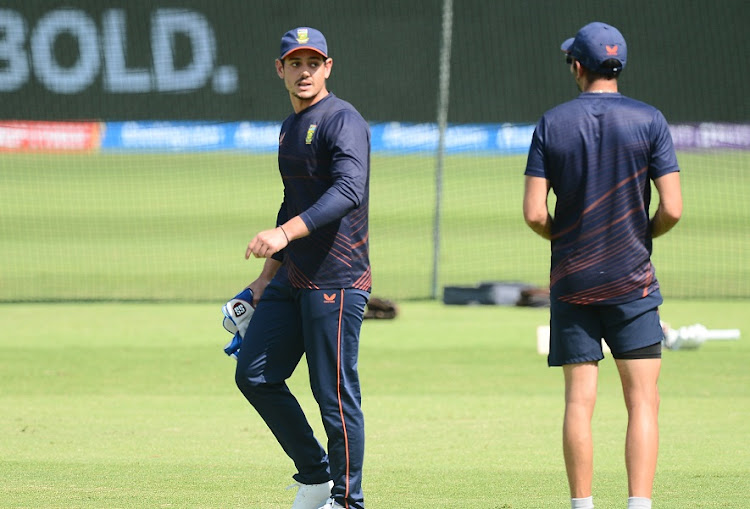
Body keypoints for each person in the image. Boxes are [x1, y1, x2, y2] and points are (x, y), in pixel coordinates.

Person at [523, 22, 682, 509]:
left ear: (577, 66)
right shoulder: (650, 119)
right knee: (643, 402)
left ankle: (582, 504)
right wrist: (640, 234)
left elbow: (534, 212)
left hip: (572, 281)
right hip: (632, 280)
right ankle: (639, 503)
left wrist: (565, 236)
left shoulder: (552, 122)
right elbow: (672, 208)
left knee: (579, 403)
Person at [236, 27, 371, 509]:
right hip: (293, 277)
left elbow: (348, 191)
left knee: (333, 394)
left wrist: (284, 234)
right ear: (281, 69)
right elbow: (294, 201)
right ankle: (315, 476)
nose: (304, 71)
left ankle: (347, 500)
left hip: (337, 278)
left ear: (328, 67)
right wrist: (263, 279)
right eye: (295, 63)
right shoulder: (289, 126)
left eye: (313, 63)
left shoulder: (342, 120)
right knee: (254, 375)